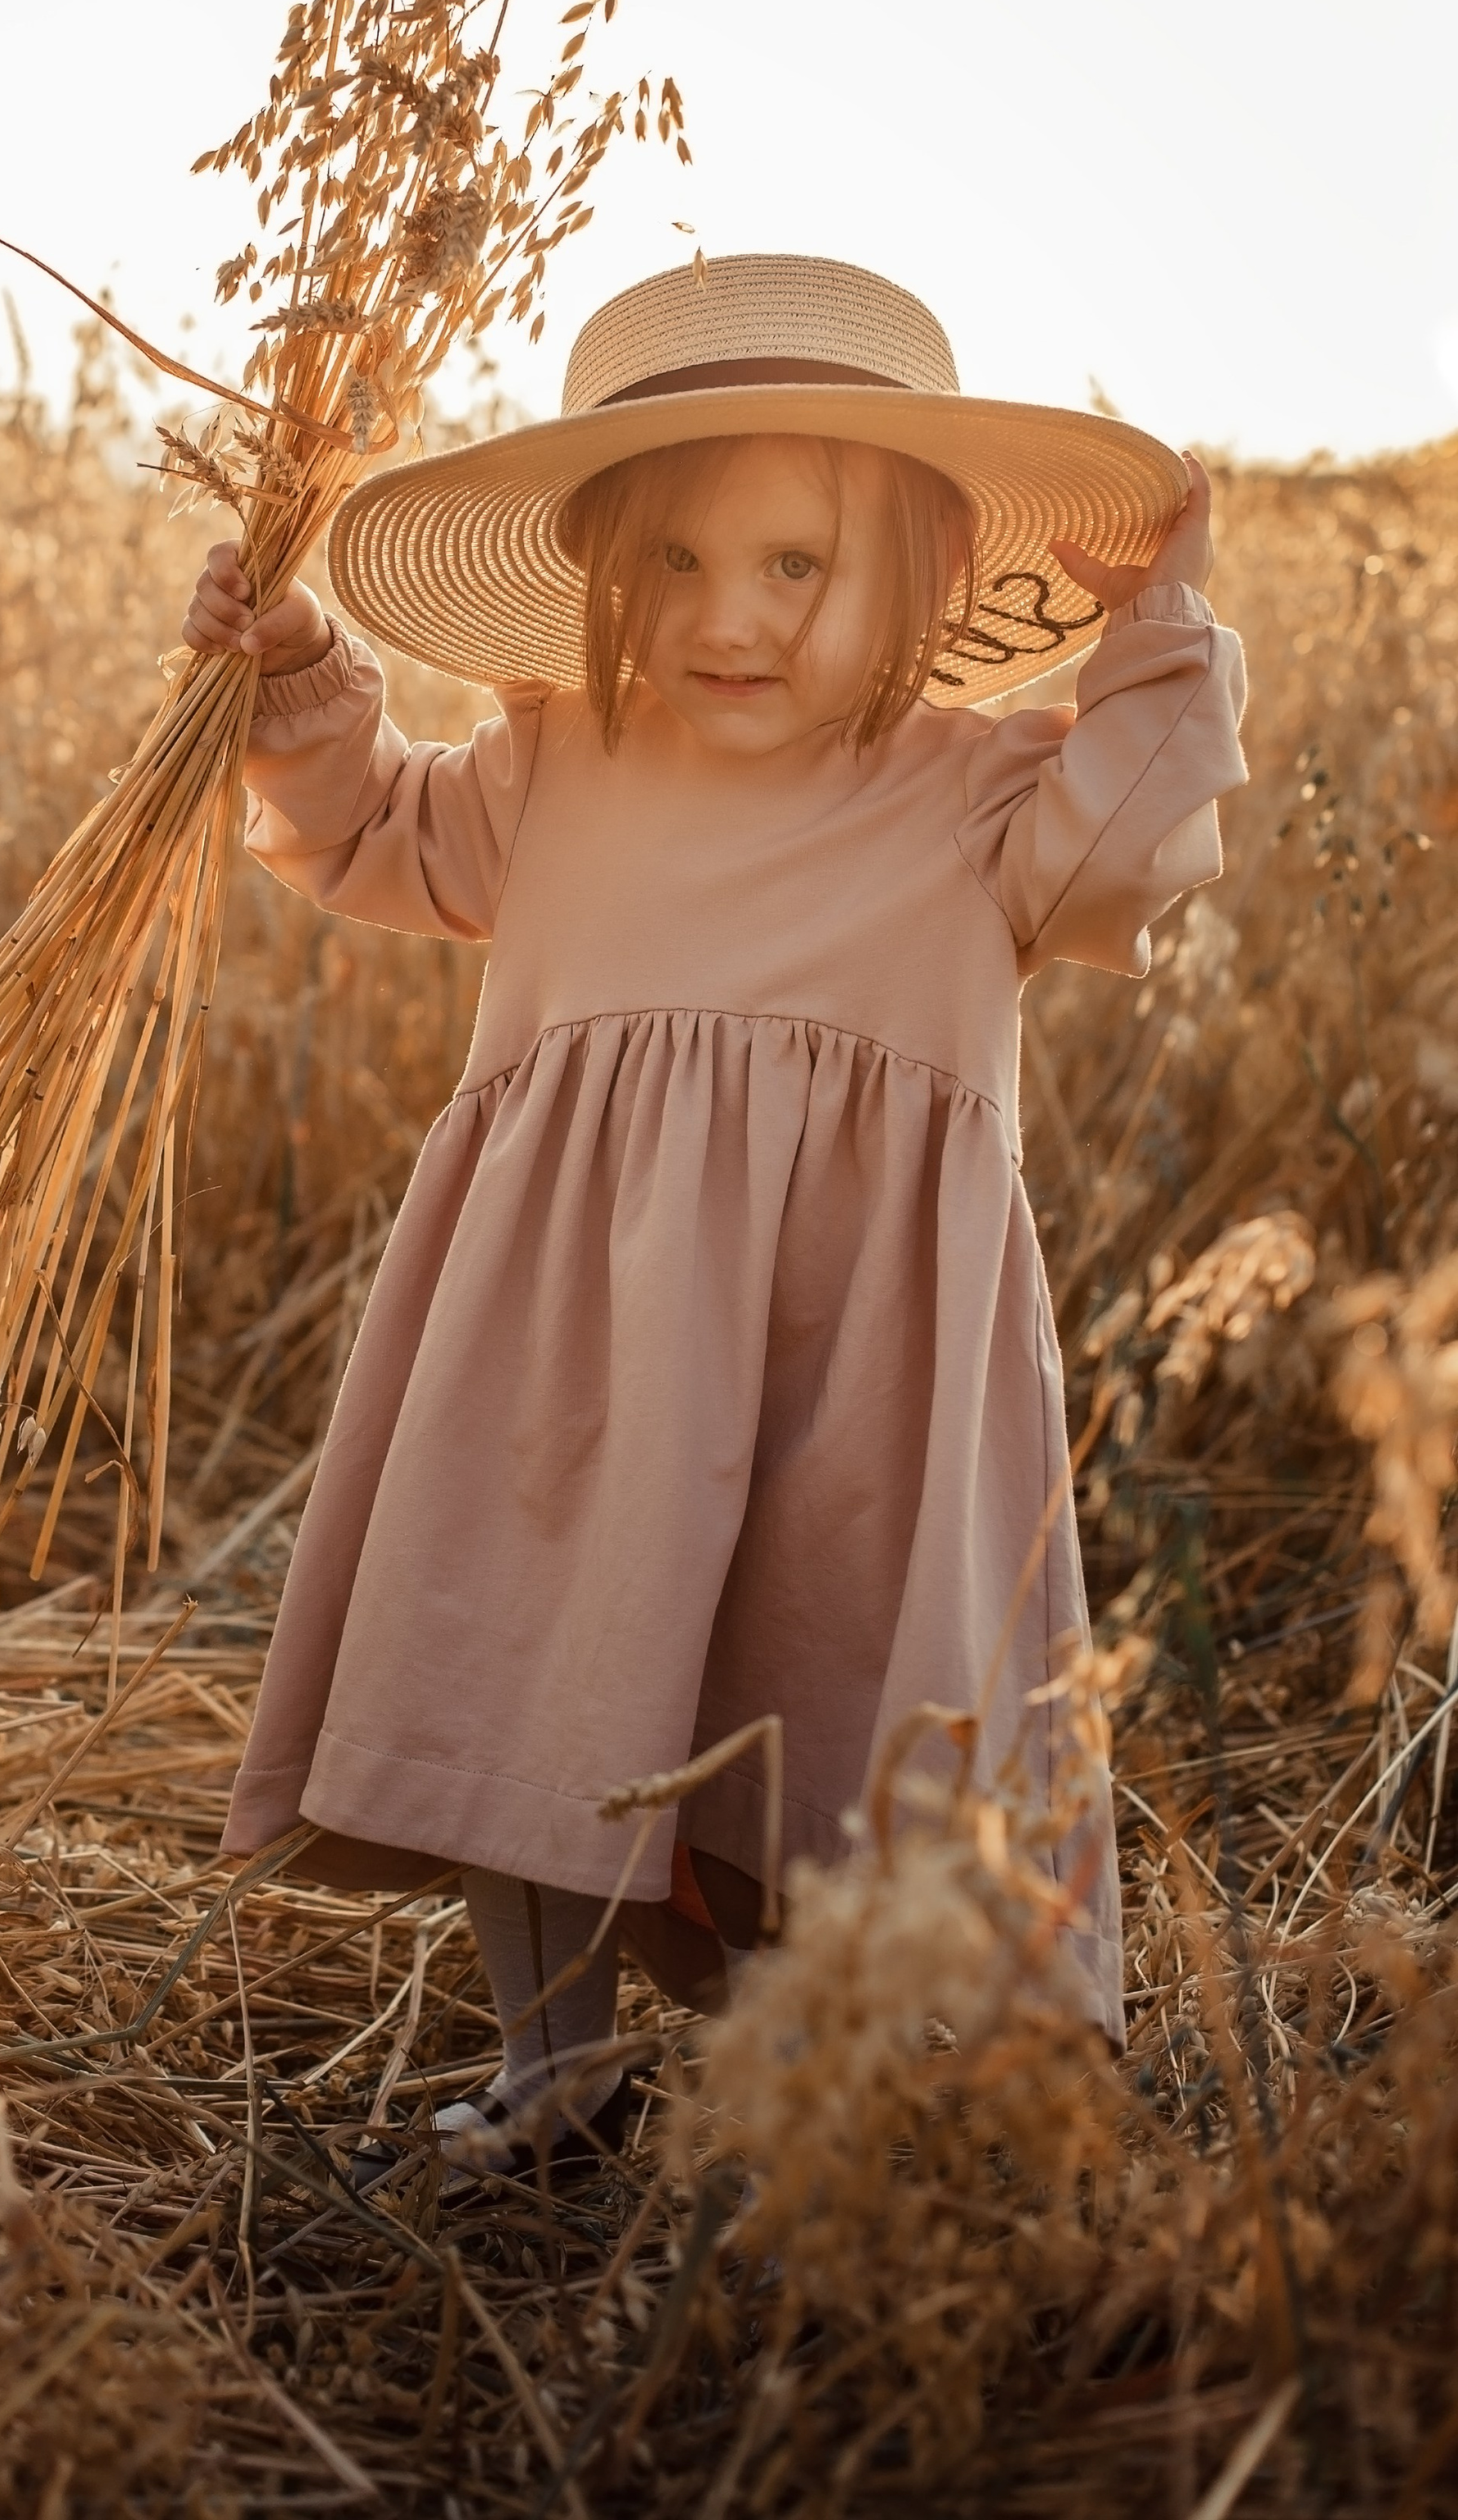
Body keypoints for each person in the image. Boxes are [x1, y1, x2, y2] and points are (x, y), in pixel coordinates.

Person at [180, 253, 1247, 2181]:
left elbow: (1127, 856)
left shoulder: (979, 790)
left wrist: (1157, 629)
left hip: (849, 1356)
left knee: (806, 1678)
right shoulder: (556, 759)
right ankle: (551, 2068)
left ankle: (781, 2086)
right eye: (669, 567)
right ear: (600, 575)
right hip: (569, 1341)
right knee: (534, 1655)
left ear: (921, 573)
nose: (724, 621)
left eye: (791, 566)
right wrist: (297, 680)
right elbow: (371, 834)